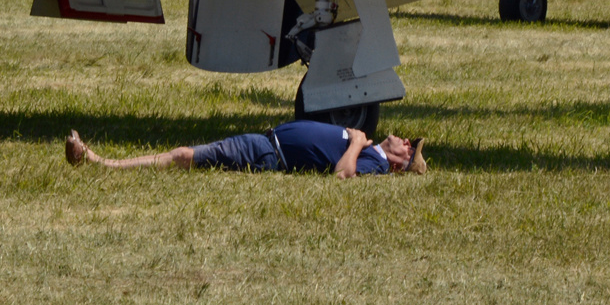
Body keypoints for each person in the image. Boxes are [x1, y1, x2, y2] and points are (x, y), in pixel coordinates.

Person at [65, 120, 425, 178]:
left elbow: (343, 176)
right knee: (185, 154)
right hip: (266, 142)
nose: (407, 141)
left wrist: (360, 141)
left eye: (410, 150)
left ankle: (99, 162)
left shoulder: (374, 165)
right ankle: (97, 160)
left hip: (267, 154)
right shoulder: (372, 152)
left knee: (184, 156)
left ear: (397, 165)